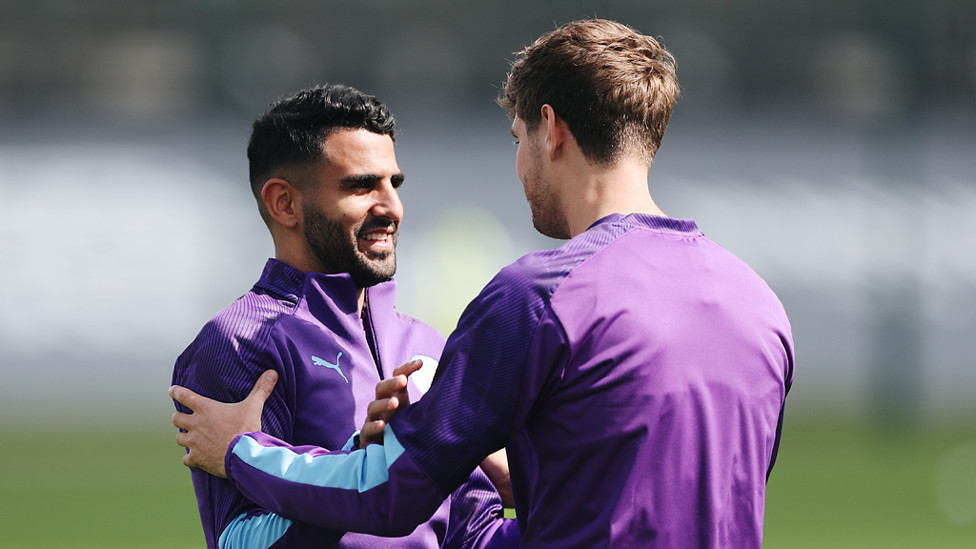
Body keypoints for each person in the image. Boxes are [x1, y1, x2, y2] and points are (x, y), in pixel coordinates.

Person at [171, 19, 795, 548]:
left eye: (518, 138)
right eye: (365, 184)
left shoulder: (542, 296)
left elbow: (389, 492)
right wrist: (505, 472)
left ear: (551, 130)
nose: (520, 165)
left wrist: (241, 451)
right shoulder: (758, 303)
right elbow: (648, 505)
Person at [171, 83, 517, 549]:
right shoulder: (240, 344)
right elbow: (242, 542)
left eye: (393, 183)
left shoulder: (426, 344)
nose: (390, 207)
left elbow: (472, 529)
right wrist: (366, 468)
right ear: (284, 203)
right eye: (360, 185)